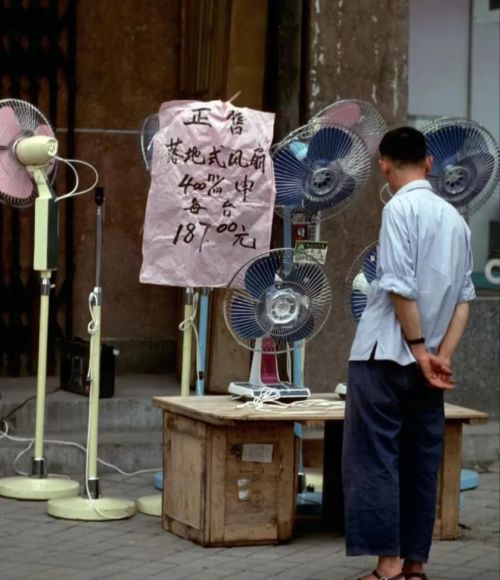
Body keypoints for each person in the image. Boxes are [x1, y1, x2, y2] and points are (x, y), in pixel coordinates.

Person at [342, 126, 475, 580]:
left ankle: (388, 566)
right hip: (430, 366)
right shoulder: (457, 219)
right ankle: (414, 565)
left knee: (376, 457)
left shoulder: (398, 208)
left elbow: (399, 286)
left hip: (384, 356)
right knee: (420, 461)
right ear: (430, 163)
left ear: (383, 164)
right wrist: (441, 356)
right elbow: (463, 299)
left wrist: (419, 350)